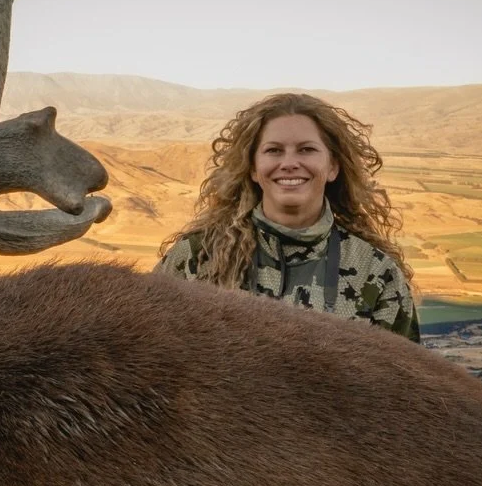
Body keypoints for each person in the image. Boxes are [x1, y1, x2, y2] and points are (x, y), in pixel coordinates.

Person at [156, 92, 419, 339]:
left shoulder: (376, 272)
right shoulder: (197, 256)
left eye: (306, 149)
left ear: (333, 167)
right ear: (253, 169)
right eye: (274, 150)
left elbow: (407, 371)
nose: (290, 163)